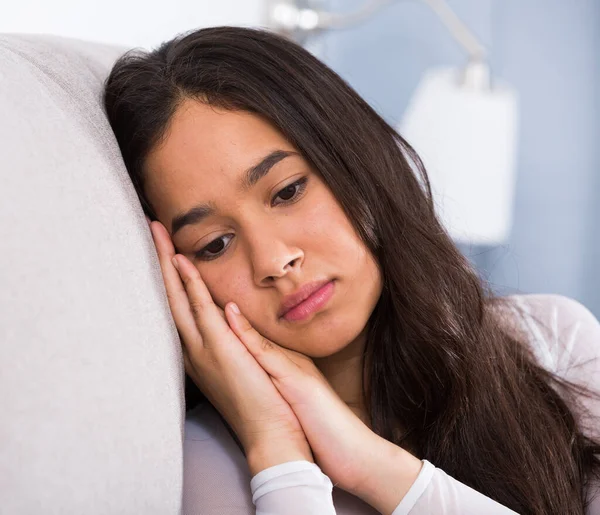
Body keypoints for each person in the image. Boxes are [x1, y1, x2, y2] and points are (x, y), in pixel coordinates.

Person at [103, 26, 600, 514]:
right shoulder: (208, 476)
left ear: (355, 163)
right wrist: (277, 451)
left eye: (288, 191)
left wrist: (375, 468)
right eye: (215, 244)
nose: (276, 261)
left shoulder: (553, 341)